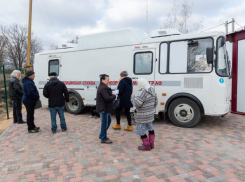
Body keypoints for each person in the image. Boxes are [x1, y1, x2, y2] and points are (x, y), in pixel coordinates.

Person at [131, 78, 158, 151]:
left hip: (142, 116)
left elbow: (137, 104)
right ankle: (151, 144)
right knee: (150, 128)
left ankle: (146, 145)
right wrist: (149, 109)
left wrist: (133, 97)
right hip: (150, 115)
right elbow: (155, 102)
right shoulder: (152, 90)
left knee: (141, 130)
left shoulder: (142, 92)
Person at [96, 74, 116, 144]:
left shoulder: (103, 86)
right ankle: (103, 138)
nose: (108, 81)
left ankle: (102, 135)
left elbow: (107, 95)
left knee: (108, 121)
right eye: (107, 80)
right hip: (103, 108)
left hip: (105, 108)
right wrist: (114, 96)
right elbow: (107, 98)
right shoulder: (103, 88)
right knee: (104, 123)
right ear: (103, 80)